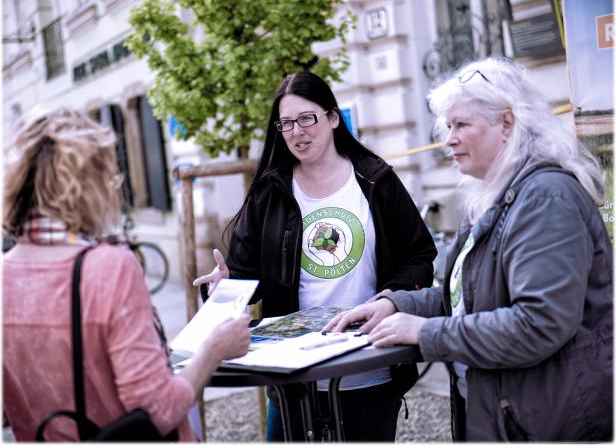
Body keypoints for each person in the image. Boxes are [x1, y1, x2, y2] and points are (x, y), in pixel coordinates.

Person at [324, 57, 613, 441]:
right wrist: (397, 304)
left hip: (547, 420)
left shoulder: (546, 198)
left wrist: (426, 332)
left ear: (507, 123)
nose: (449, 139)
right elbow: (470, 301)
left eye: (461, 125)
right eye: (447, 126)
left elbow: (539, 324)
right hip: (511, 413)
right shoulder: (493, 195)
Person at [193, 71, 437, 441]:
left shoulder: (376, 181)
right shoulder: (271, 192)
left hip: (368, 367)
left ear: (333, 119)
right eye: (287, 123)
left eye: (307, 118)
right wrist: (225, 286)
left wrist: (391, 301)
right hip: (292, 377)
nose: (297, 132)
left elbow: (419, 257)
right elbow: (244, 278)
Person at [2, 107, 251, 441]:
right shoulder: (107, 267)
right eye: (109, 172)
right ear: (87, 184)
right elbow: (158, 410)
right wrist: (214, 350)